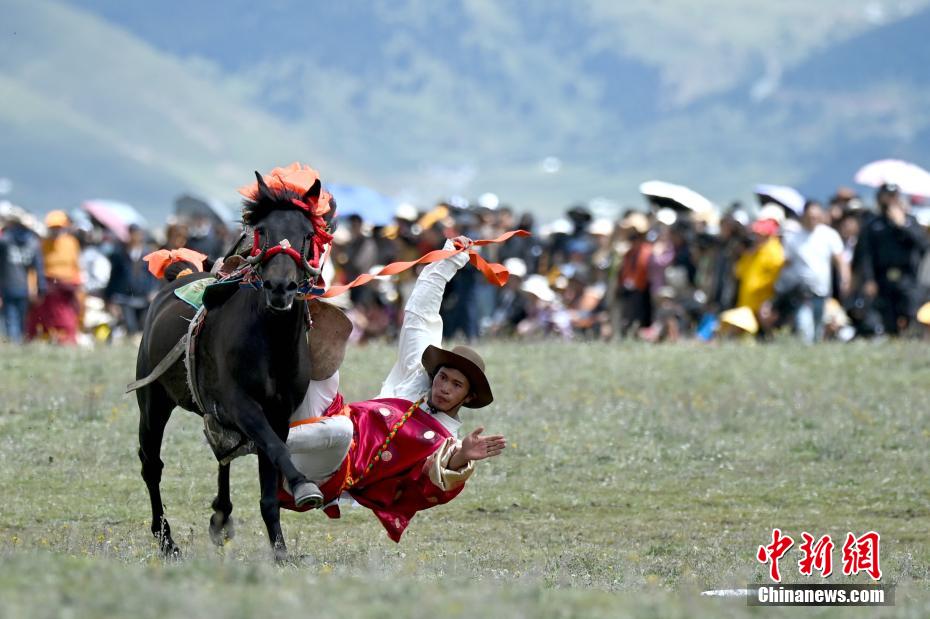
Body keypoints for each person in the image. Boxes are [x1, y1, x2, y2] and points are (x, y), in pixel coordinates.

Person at [281, 235, 507, 541]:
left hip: (321, 474)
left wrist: (462, 456)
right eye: (443, 378)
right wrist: (450, 257)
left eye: (456, 385)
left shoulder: (445, 441)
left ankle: (258, 439)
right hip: (314, 427)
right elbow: (420, 313)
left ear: (468, 396)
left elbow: (436, 477)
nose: (444, 388)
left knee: (341, 431)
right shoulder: (416, 377)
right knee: (323, 362)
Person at [856, 184, 930, 335]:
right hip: (883, 277)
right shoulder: (873, 224)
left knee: (911, 312)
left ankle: (911, 341)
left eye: (893, 196)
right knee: (888, 316)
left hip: (908, 277)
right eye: (887, 196)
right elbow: (866, 255)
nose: (890, 200)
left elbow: (922, 244)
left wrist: (902, 225)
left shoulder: (910, 221)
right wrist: (869, 279)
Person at [774, 200, 851, 343]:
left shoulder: (829, 235)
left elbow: (840, 260)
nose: (812, 220)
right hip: (801, 292)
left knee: (819, 324)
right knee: (804, 326)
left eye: (816, 216)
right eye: (810, 216)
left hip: (822, 291)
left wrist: (845, 279)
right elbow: (786, 263)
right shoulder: (793, 238)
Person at [27, 211, 83, 344]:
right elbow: (35, 268)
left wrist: (78, 284)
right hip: (47, 287)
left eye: (58, 228)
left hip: (66, 288)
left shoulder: (71, 243)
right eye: (53, 228)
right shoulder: (42, 243)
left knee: (66, 318)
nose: (55, 231)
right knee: (41, 317)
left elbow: (76, 266)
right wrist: (33, 287)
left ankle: (66, 342)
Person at [0, 210, 46, 343]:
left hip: (7, 286)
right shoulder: (33, 243)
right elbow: (39, 268)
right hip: (25, 287)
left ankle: (14, 343)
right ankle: (18, 342)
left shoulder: (5, 241)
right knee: (21, 318)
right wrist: (41, 288)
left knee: (11, 317)